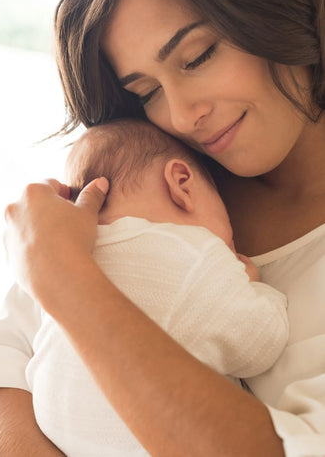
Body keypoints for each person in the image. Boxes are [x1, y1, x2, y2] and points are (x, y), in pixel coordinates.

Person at [0, 0, 325, 455]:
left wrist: (69, 283)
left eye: (197, 57)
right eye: (147, 92)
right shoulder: (156, 187)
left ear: (280, 2)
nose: (184, 116)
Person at [26, 118, 289, 456]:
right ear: (182, 183)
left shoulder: (66, 258)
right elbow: (260, 345)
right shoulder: (193, 254)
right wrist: (256, 288)